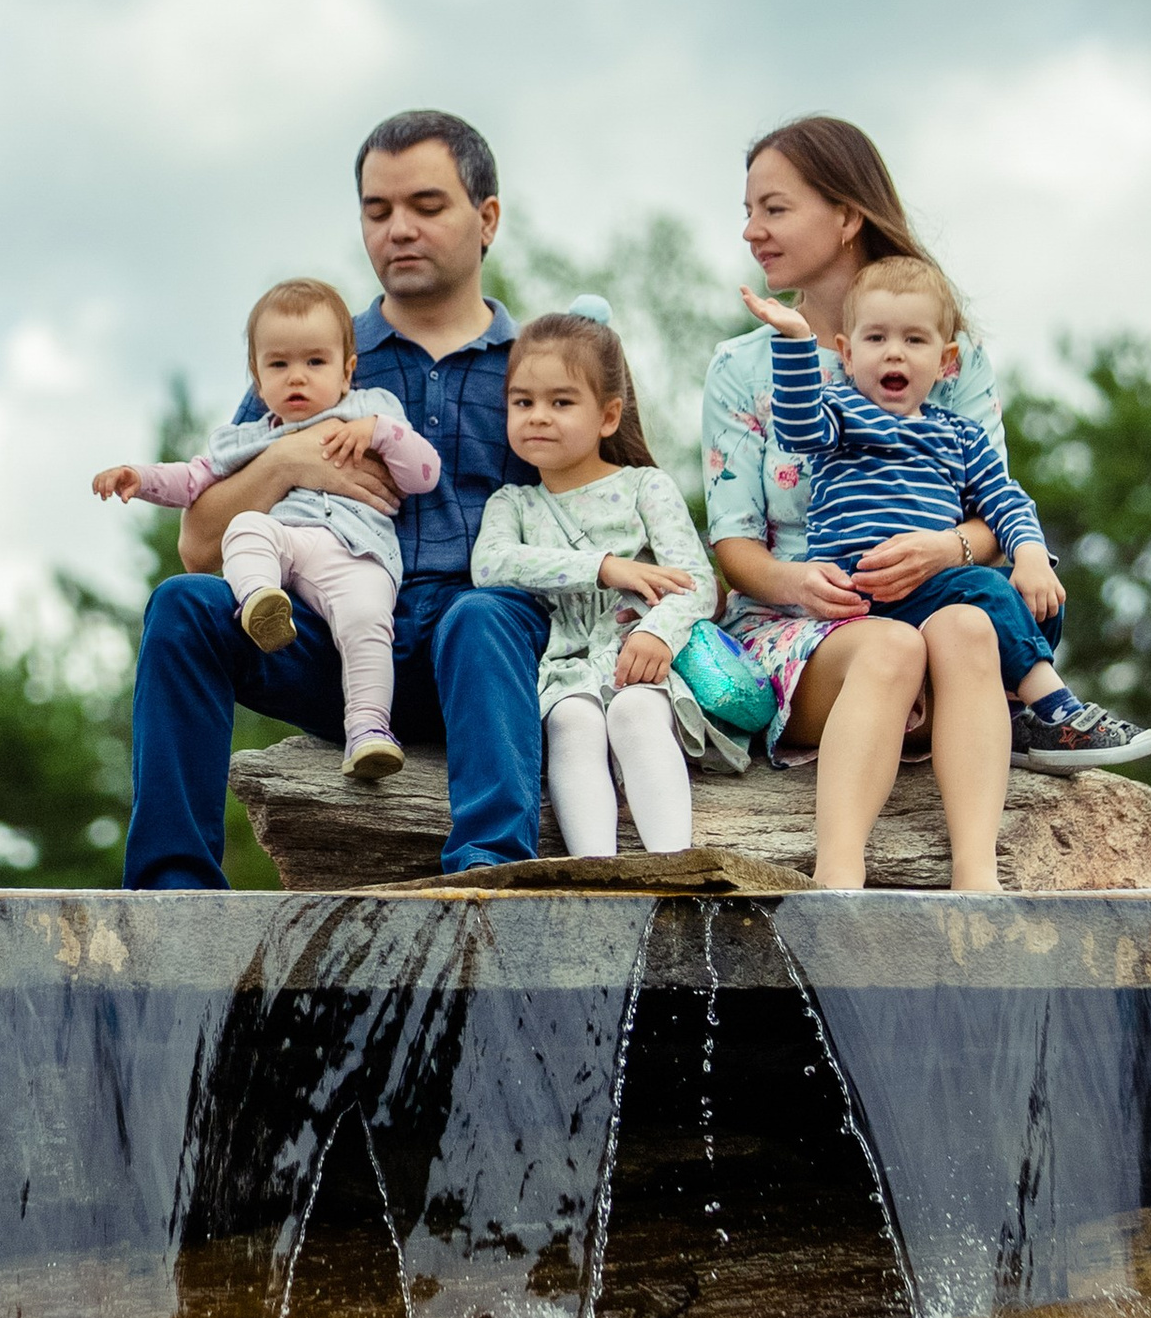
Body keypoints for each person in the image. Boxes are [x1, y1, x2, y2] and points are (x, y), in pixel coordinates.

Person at [122, 114, 551, 886]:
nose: (399, 230)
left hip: (480, 664)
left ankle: (489, 877)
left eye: (426, 205)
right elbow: (199, 543)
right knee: (183, 605)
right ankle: (170, 893)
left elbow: (620, 511)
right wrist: (288, 458)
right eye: (377, 210)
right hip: (330, 646)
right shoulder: (313, 355)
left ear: (486, 217)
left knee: (485, 615)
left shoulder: (542, 365)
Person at [749, 252, 1151, 889]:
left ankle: (976, 872)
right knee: (985, 589)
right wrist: (797, 344)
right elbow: (798, 421)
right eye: (876, 338)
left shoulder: (959, 437)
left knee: (980, 608)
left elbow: (1006, 502)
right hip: (860, 597)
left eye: (914, 340)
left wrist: (1028, 553)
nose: (894, 354)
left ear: (946, 363)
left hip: (936, 593)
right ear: (846, 351)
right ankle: (1053, 709)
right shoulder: (838, 418)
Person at [94, 277, 439, 785]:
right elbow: (192, 480)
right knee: (248, 526)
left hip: (358, 552)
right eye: (279, 364)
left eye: (314, 363)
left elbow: (423, 475)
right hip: (288, 545)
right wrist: (140, 478)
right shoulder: (249, 439)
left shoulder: (373, 410)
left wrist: (380, 435)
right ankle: (260, 602)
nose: (296, 377)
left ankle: (368, 730)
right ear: (257, 378)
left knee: (366, 619)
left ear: (347, 371)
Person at [471, 304, 740, 862]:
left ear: (608, 416)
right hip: (565, 662)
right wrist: (604, 567)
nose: (537, 416)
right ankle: (594, 873)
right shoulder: (514, 503)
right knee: (571, 721)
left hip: (638, 654)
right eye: (522, 402)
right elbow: (490, 566)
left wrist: (659, 635)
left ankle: (673, 866)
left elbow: (696, 582)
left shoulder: (646, 487)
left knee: (635, 712)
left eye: (561, 402)